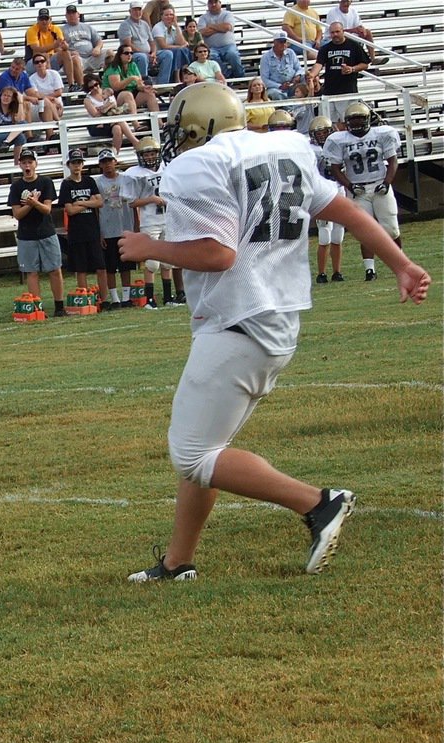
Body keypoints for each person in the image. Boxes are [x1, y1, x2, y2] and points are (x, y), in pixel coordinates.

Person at [118, 81, 430, 582]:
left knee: (193, 454)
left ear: (201, 125)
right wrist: (401, 263)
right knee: (207, 449)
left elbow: (219, 255)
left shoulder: (199, 165)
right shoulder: (282, 147)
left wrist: (148, 249)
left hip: (237, 322)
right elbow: (347, 211)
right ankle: (177, 563)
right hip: (274, 318)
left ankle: (318, 504)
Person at [324, 102, 401, 281]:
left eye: (360, 118)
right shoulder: (339, 139)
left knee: (392, 229)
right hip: (358, 189)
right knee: (366, 231)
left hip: (380, 185)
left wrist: (387, 182)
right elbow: (335, 169)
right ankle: (370, 270)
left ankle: (399, 264)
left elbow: (393, 160)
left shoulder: (382, 134)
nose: (356, 123)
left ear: (367, 119)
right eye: (353, 119)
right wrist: (350, 186)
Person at [123, 136, 179, 308]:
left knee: (168, 260)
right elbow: (131, 202)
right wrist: (151, 199)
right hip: (150, 221)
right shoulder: (134, 174)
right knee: (152, 262)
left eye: (152, 153)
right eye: (146, 154)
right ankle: (149, 299)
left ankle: (168, 297)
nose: (149, 157)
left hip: (167, 217)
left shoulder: (168, 168)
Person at [8, 150, 65, 317]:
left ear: (35, 164)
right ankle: (37, 308)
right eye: (24, 162)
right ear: (20, 165)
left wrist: (34, 202)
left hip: (46, 232)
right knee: (31, 272)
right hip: (26, 235)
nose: (27, 166)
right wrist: (31, 204)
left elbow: (47, 209)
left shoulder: (45, 182)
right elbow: (17, 214)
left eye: (30, 162)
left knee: (55, 269)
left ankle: (59, 307)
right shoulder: (16, 186)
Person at [59, 149, 109, 308]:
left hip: (92, 230)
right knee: (81, 269)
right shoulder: (66, 184)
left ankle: (105, 299)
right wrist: (89, 201)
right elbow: (70, 210)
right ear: (69, 165)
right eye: (74, 163)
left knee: (101, 267)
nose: (77, 166)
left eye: (79, 162)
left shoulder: (89, 181)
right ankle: (85, 299)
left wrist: (81, 203)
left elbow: (100, 202)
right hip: (77, 232)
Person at [93, 149, 136, 307]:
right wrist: (100, 232)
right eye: (104, 162)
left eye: (110, 161)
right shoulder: (97, 183)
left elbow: (133, 204)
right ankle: (114, 298)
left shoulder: (126, 179)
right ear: (100, 165)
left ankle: (126, 297)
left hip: (125, 226)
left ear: (115, 162)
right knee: (110, 267)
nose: (107, 164)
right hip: (107, 228)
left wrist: (135, 228)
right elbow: (96, 209)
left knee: (126, 265)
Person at [307, 115, 345, 282]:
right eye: (318, 133)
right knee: (324, 236)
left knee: (338, 236)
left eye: (324, 132)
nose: (322, 136)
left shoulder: (337, 145)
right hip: (322, 193)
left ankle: (337, 272)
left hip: (339, 189)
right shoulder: (311, 151)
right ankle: (321, 274)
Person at [309, 22, 369, 127]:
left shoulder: (354, 46)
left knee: (349, 123)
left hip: (348, 91)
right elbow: (319, 64)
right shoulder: (325, 48)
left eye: (337, 31)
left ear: (343, 31)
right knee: (326, 123)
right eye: (332, 32)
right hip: (329, 91)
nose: (335, 34)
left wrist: (352, 69)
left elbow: (365, 64)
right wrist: (312, 75)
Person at [82, 75, 140, 155]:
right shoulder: (88, 99)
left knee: (118, 128)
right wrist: (107, 107)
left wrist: (104, 109)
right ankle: (135, 142)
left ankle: (114, 155)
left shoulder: (107, 91)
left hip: (111, 121)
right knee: (119, 121)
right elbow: (95, 114)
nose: (95, 88)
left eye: (96, 85)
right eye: (91, 87)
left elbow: (114, 105)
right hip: (96, 125)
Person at [103, 44, 160, 113]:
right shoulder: (113, 68)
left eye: (131, 53)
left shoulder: (133, 65)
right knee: (127, 94)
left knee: (149, 94)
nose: (129, 55)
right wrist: (131, 78)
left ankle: (159, 122)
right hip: (114, 97)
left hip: (131, 95)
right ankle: (135, 122)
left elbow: (139, 84)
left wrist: (144, 88)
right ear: (120, 55)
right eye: (126, 53)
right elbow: (116, 87)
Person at [325, 0, 384, 65]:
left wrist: (362, 30)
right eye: (343, 1)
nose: (345, 3)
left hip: (349, 35)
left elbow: (358, 25)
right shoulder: (333, 12)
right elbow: (335, 31)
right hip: (333, 37)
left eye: (347, 1)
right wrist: (354, 30)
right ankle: (364, 60)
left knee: (368, 32)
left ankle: (373, 59)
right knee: (347, 37)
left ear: (351, 2)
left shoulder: (353, 11)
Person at [60, 5, 108, 84]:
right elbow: (59, 48)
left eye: (73, 13)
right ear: (66, 16)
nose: (72, 15)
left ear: (78, 14)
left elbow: (99, 41)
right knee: (75, 59)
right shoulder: (62, 30)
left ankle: (109, 81)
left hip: (92, 56)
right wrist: (69, 52)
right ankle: (83, 86)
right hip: (77, 58)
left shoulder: (87, 27)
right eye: (69, 14)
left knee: (109, 53)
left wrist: (98, 48)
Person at [197, 0, 244, 80]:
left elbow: (227, 27)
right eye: (211, 3)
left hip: (228, 46)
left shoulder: (227, 14)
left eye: (215, 2)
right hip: (212, 48)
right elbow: (202, 32)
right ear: (208, 4)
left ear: (220, 3)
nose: (213, 4)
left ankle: (240, 76)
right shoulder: (203, 18)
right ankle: (226, 76)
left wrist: (211, 26)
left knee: (233, 54)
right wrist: (220, 28)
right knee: (211, 55)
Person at [118, 0, 163, 83]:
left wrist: (153, 53)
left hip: (148, 54)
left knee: (167, 54)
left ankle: (163, 82)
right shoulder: (125, 25)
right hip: (132, 54)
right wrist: (145, 53)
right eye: (134, 10)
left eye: (139, 10)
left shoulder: (145, 24)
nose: (137, 12)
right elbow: (128, 44)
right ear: (130, 11)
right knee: (142, 57)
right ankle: (143, 83)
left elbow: (152, 42)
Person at [0, 85, 27, 161]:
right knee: (21, 136)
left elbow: (20, 120)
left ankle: (16, 165)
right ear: (0, 96)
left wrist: (20, 102)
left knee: (22, 130)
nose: (6, 98)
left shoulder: (13, 108)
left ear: (13, 99)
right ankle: (16, 164)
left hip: (8, 136)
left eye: (9, 96)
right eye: (4, 95)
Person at [260, 33, 305, 100]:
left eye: (284, 41)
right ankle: (289, 109)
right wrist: (280, 86)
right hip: (275, 88)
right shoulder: (266, 57)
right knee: (275, 94)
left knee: (306, 78)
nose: (283, 44)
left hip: (293, 84)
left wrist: (297, 76)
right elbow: (265, 79)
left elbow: (299, 68)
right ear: (274, 42)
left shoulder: (291, 53)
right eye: (280, 42)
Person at [151, 5, 189, 84]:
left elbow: (183, 42)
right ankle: (177, 77)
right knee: (178, 50)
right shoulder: (158, 27)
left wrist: (176, 25)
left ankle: (185, 75)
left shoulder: (174, 28)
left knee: (184, 50)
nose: (169, 17)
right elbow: (163, 46)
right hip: (160, 53)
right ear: (161, 16)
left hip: (173, 53)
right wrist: (180, 46)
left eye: (171, 15)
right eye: (166, 15)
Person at [26, 52, 64, 129]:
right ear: (34, 65)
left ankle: (53, 130)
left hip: (55, 100)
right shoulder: (31, 79)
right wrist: (50, 99)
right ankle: (58, 123)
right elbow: (35, 95)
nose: (40, 63)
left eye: (42, 61)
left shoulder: (54, 74)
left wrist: (47, 98)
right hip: (40, 103)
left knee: (49, 103)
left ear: (46, 63)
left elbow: (59, 92)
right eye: (37, 62)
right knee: (47, 104)